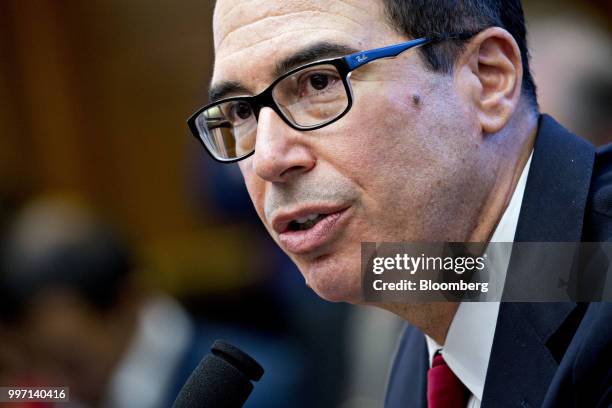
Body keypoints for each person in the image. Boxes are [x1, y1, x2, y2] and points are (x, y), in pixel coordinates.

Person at [189, 0, 612, 406]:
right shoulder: (428, 296)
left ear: (488, 80)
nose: (267, 159)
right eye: (242, 112)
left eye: (319, 81)